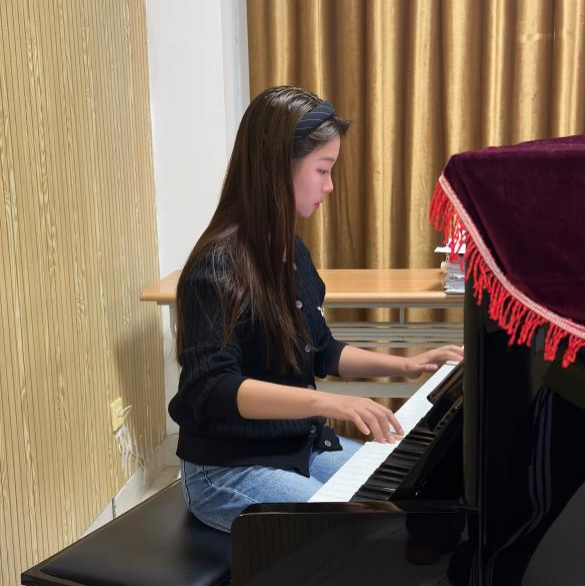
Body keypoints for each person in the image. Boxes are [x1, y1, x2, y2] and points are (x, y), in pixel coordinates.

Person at [169, 86, 464, 533]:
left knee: (398, 498)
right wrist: (330, 403)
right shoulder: (216, 267)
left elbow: (322, 349)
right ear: (275, 169)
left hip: (297, 445)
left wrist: (408, 365)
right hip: (228, 469)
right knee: (353, 536)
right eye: (322, 170)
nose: (330, 186)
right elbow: (213, 390)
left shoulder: (290, 251)